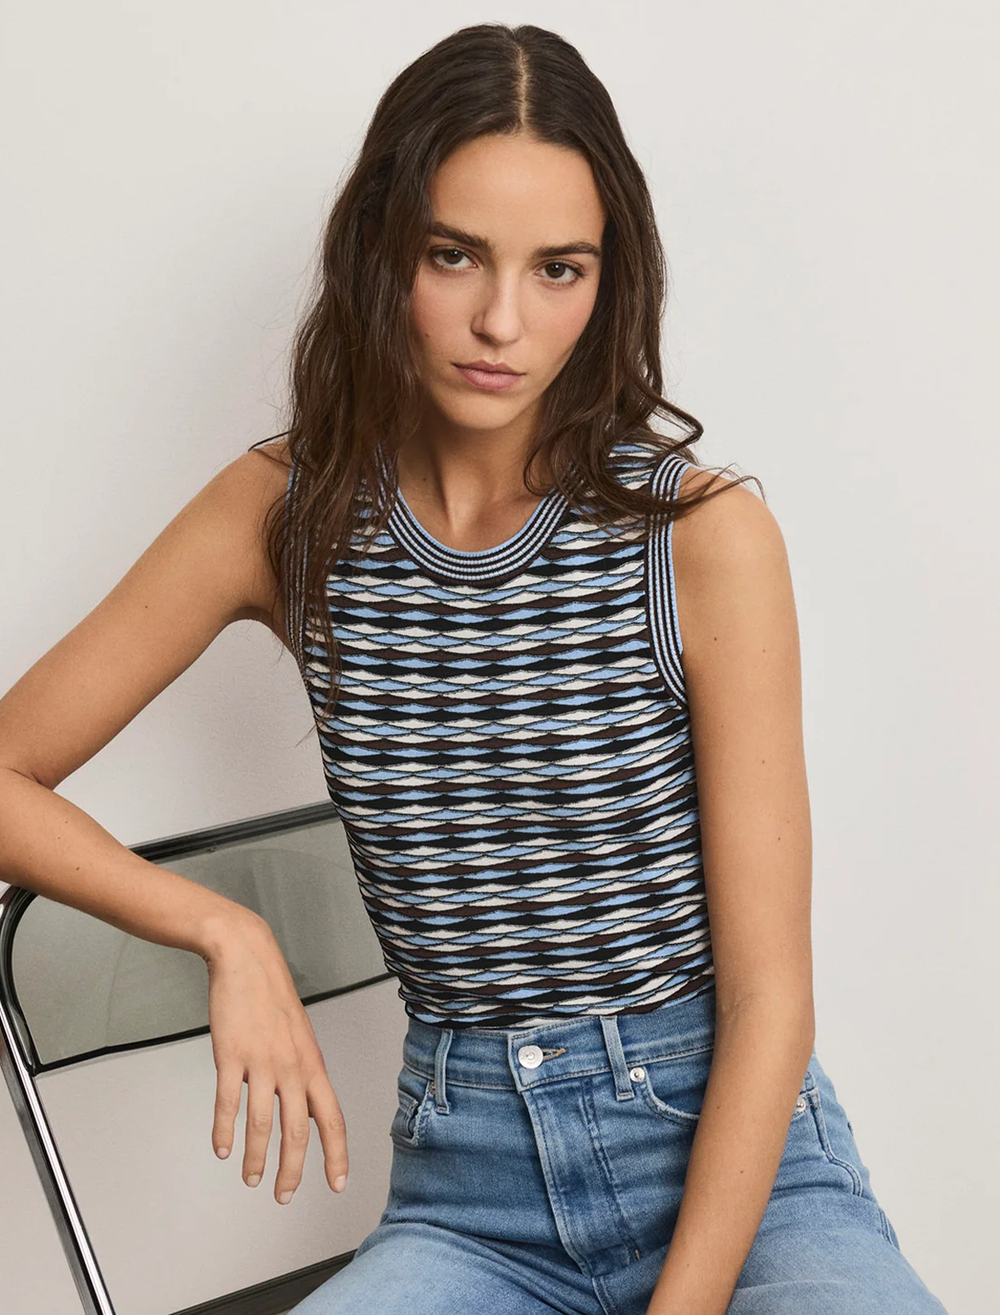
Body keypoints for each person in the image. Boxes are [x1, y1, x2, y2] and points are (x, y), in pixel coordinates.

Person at [0, 21, 949, 1315]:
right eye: (455, 255)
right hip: (473, 1205)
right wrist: (221, 928)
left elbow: (772, 998)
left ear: (609, 280)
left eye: (558, 269)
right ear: (382, 248)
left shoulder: (700, 535)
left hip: (749, 1173)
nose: (503, 320)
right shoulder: (285, 515)